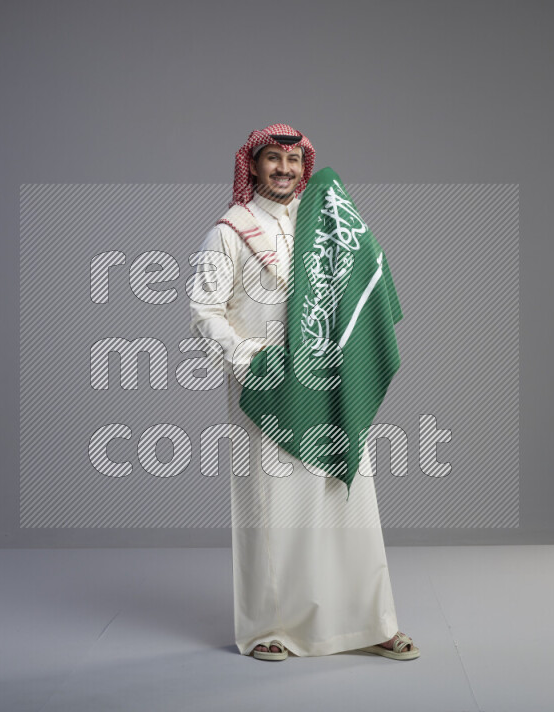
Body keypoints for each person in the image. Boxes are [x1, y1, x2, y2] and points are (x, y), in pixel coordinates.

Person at [188, 123, 420, 661]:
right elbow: (203, 311)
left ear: (305, 166)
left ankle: (372, 623)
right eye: (273, 159)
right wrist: (254, 362)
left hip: (328, 382)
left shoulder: (326, 223)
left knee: (350, 498)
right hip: (266, 386)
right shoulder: (230, 229)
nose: (285, 170)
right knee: (272, 507)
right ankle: (272, 628)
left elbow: (361, 281)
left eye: (294, 161)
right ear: (253, 165)